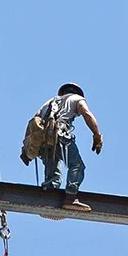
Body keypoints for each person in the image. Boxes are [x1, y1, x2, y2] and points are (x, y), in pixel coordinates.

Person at [26, 83, 102, 211]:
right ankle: (71, 198)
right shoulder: (77, 99)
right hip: (60, 135)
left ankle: (48, 198)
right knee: (77, 166)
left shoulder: (50, 102)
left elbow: (33, 122)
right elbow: (86, 113)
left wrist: (27, 149)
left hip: (44, 140)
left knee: (53, 173)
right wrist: (96, 135)